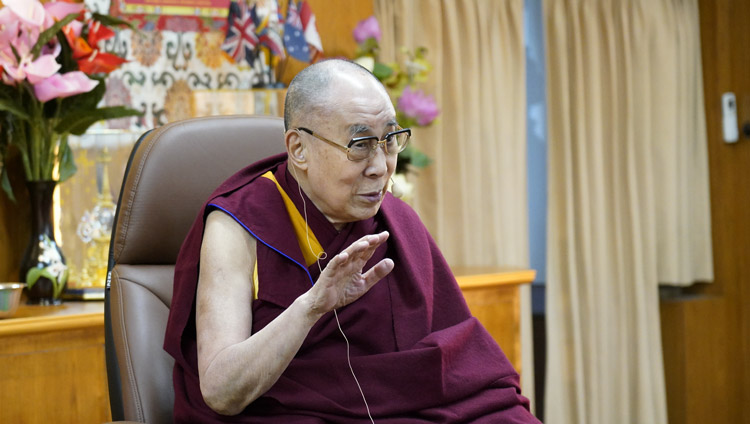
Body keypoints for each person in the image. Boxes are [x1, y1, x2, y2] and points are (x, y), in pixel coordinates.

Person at [164, 59, 540, 423]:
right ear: (298, 149)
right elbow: (220, 391)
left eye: (390, 140)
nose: (380, 165)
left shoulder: (396, 221)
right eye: (360, 144)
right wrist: (310, 307)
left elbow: (454, 365)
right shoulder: (238, 225)